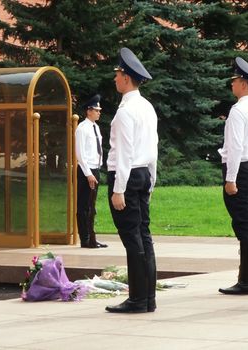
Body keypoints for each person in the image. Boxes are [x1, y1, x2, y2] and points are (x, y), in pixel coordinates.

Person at [105, 47, 158, 313]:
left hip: (126, 176)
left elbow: (124, 153)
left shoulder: (126, 111)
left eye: (117, 74)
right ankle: (148, 298)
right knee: (144, 236)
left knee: (133, 239)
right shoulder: (146, 107)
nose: (114, 79)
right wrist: (152, 180)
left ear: (126, 78)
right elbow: (154, 149)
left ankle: (138, 299)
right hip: (143, 174)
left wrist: (118, 190)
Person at [218, 57, 248, 295]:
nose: (232, 84)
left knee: (245, 226)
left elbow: (235, 147)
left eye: (235, 80)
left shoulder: (238, 111)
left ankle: (247, 281)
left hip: (240, 170)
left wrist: (231, 178)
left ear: (244, 83)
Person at [75, 94, 108, 249]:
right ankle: (85, 239)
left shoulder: (96, 127)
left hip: (95, 169)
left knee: (91, 205)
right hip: (85, 170)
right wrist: (88, 173)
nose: (99, 112)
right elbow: (80, 154)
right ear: (89, 111)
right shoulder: (82, 128)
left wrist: (96, 170)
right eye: (96, 110)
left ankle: (92, 237)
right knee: (83, 205)